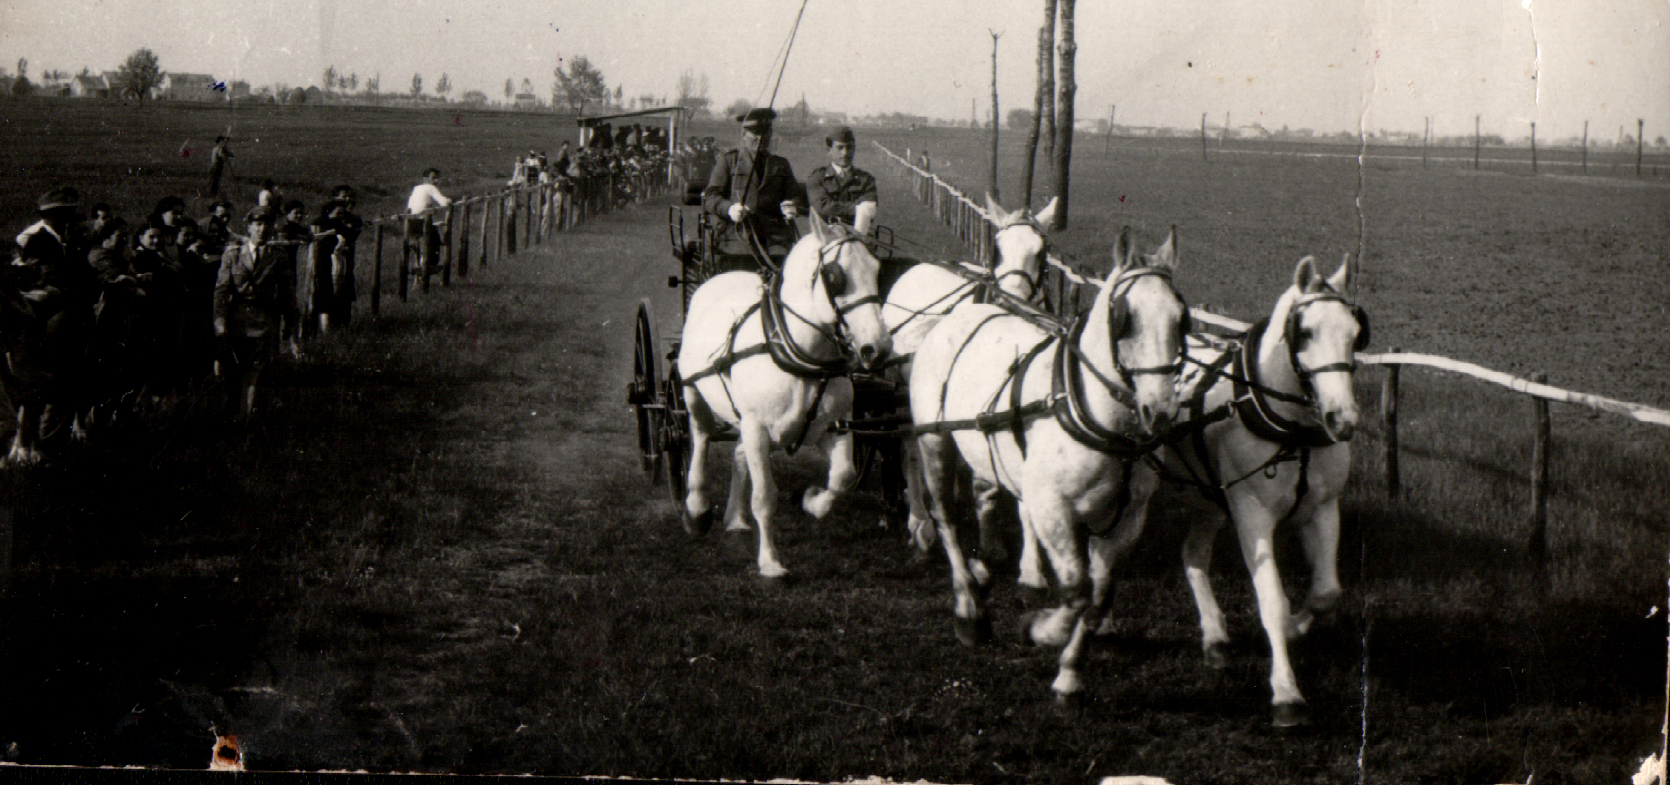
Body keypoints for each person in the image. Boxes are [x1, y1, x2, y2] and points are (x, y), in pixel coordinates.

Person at [214, 207, 292, 418]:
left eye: (267, 224)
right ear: (248, 227)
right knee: (232, 374)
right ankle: (229, 418)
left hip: (265, 322)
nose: (263, 229)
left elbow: (287, 293)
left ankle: (247, 422)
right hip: (236, 321)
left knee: (257, 375)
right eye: (257, 224)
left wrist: (290, 322)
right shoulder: (232, 255)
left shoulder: (278, 257)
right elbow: (221, 293)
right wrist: (220, 325)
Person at [702, 108, 806, 264]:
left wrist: (793, 206)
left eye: (766, 133)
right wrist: (729, 209)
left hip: (774, 238)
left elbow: (796, 195)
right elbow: (710, 197)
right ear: (744, 136)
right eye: (755, 134)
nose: (761, 138)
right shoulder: (729, 161)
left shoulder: (781, 164)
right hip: (736, 235)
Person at [805, 126, 878, 234]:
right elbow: (823, 208)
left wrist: (836, 208)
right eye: (840, 148)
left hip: (859, 234)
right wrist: (858, 209)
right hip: (826, 235)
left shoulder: (866, 180)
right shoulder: (817, 178)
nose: (845, 153)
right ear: (829, 150)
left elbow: (870, 210)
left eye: (849, 148)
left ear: (854, 149)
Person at [406, 167, 451, 278]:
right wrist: (449, 201)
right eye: (433, 178)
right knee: (436, 239)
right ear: (425, 179)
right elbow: (443, 202)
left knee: (431, 234)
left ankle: (422, 262)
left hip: (411, 223)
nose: (435, 181)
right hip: (422, 223)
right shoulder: (430, 187)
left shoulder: (416, 188)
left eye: (436, 178)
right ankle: (430, 265)